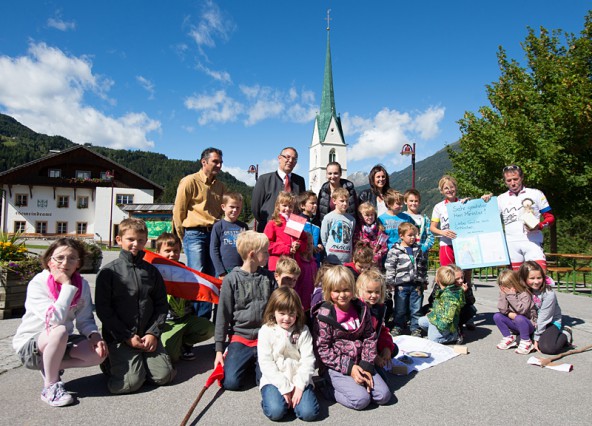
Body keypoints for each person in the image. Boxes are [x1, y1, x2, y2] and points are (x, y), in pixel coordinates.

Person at [12, 238, 108, 407]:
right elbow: (54, 320)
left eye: (72, 258)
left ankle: (50, 367)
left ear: (78, 264)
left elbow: (85, 319)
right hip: (30, 347)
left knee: (98, 353)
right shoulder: (38, 283)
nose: (65, 263)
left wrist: (94, 336)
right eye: (60, 258)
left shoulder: (82, 285)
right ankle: (50, 387)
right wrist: (66, 286)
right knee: (60, 329)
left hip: (59, 343)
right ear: (49, 261)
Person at [95, 218, 175, 394]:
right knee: (130, 384)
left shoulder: (151, 272)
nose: (135, 244)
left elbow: (161, 305)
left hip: (146, 335)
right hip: (120, 337)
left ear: (146, 241)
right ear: (119, 240)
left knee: (164, 376)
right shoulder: (109, 272)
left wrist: (153, 333)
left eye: (140, 240)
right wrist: (126, 336)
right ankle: (110, 364)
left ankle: (139, 363)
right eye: (130, 239)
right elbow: (104, 310)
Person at [312, 265, 391, 410]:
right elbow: (323, 350)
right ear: (329, 292)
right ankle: (326, 387)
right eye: (337, 291)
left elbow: (369, 336)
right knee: (361, 400)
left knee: (383, 396)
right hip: (335, 366)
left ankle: (357, 381)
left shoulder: (361, 308)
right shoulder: (324, 315)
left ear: (353, 289)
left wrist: (366, 365)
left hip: (361, 361)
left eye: (346, 290)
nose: (342, 295)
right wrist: (349, 368)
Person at [214, 231, 276, 390]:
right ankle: (240, 359)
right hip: (241, 337)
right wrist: (219, 350)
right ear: (252, 255)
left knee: (265, 381)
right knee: (231, 383)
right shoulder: (231, 280)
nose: (268, 254)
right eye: (265, 252)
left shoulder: (268, 277)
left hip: (264, 337)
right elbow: (223, 315)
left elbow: (278, 307)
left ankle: (254, 363)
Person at [173, 147, 226, 319]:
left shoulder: (221, 186)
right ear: (204, 162)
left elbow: (222, 212)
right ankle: (193, 319)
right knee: (197, 275)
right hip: (194, 233)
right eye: (215, 161)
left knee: (211, 276)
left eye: (220, 162)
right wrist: (183, 237)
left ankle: (203, 320)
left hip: (214, 234)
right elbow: (178, 211)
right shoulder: (189, 181)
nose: (219, 165)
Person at [257, 287, 319, 422]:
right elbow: (266, 362)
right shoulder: (266, 331)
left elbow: (308, 360)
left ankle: (293, 401)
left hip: (298, 378)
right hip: (274, 380)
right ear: (274, 312)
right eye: (282, 313)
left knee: (309, 413)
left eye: (291, 314)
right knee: (276, 412)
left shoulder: (303, 331)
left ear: (298, 312)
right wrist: (284, 388)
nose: (287, 318)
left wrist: (299, 386)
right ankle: (272, 399)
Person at [482, 165, 554, 270]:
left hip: (533, 242)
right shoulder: (500, 199)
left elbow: (550, 217)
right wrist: (484, 203)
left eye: (515, 179)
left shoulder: (536, 194)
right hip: (511, 244)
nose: (512, 183)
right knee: (515, 283)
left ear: (522, 178)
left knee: (538, 277)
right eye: (509, 180)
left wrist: (540, 226)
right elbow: (487, 220)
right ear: (505, 181)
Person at [156, 233, 214, 363]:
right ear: (158, 252)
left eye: (176, 251)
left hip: (186, 319)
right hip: (167, 323)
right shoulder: (155, 272)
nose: (172, 254)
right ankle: (173, 344)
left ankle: (185, 343)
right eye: (167, 251)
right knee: (171, 357)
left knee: (210, 329)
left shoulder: (185, 270)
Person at [519, 261, 572, 355]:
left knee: (547, 348)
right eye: (532, 278)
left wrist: (537, 337)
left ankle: (566, 334)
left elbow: (544, 317)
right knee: (520, 340)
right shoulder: (523, 290)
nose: (536, 281)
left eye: (539, 278)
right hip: (535, 321)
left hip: (550, 322)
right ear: (524, 279)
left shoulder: (549, 293)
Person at [385, 223, 428, 337]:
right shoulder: (395, 250)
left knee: (416, 308)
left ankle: (415, 328)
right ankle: (398, 326)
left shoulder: (418, 249)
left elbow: (423, 265)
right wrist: (390, 282)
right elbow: (390, 266)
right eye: (410, 235)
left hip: (416, 285)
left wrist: (424, 280)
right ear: (401, 236)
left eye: (414, 235)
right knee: (400, 308)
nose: (413, 237)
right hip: (401, 285)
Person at [252, 147, 306, 232]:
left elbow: (300, 208)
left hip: (292, 232)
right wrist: (267, 222)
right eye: (287, 157)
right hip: (268, 231)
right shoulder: (264, 180)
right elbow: (255, 209)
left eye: (294, 159)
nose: (290, 160)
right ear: (279, 158)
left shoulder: (300, 181)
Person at [430, 175, 472, 284]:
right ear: (442, 191)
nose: (449, 190)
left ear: (456, 188)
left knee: (465, 272)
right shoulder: (438, 207)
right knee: (447, 274)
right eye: (446, 188)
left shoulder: (464, 203)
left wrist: (470, 204)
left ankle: (467, 295)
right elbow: (432, 227)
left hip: (463, 243)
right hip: (446, 244)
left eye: (451, 187)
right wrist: (442, 232)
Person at [356, 268, 398, 374]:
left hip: (372, 345)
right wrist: (374, 356)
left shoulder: (378, 308)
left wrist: (386, 347)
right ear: (360, 290)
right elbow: (359, 339)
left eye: (377, 292)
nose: (374, 295)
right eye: (369, 292)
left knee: (394, 349)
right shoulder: (357, 309)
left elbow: (381, 330)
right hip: (359, 350)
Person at [493, 269, 537, 353]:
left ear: (514, 284)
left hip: (528, 325)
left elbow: (521, 310)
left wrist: (511, 296)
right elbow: (502, 309)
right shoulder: (507, 294)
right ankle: (508, 338)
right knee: (497, 316)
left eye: (507, 287)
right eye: (502, 287)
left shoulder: (524, 294)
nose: (505, 289)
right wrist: (503, 295)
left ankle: (526, 341)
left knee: (519, 318)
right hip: (515, 324)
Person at [418, 266, 465, 344]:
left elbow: (448, 318)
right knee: (421, 321)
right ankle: (436, 334)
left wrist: (436, 323)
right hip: (438, 319)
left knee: (433, 340)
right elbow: (438, 306)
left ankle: (455, 336)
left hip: (445, 325)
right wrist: (432, 314)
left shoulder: (450, 296)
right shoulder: (443, 290)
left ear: (437, 280)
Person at [264, 191, 307, 272]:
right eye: (284, 205)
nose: (287, 209)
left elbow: (304, 240)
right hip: (278, 266)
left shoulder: (295, 222)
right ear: (278, 206)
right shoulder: (273, 223)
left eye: (290, 206)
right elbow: (267, 244)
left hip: (294, 266)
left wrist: (299, 245)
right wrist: (287, 249)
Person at [209, 192, 248, 279]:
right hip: (224, 271)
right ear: (223, 207)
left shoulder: (244, 226)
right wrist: (221, 272)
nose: (235, 210)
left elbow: (248, 248)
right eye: (232, 207)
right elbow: (213, 250)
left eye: (238, 207)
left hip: (241, 270)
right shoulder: (218, 226)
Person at [320, 187, 356, 264]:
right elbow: (324, 237)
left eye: (347, 201)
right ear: (334, 201)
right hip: (331, 258)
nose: (345, 204)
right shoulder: (328, 217)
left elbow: (351, 236)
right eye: (342, 201)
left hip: (346, 259)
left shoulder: (352, 219)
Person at [353, 202, 389, 269]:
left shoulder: (380, 229)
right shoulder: (358, 229)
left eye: (372, 214)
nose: (370, 217)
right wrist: (363, 257)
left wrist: (375, 257)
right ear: (361, 216)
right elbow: (355, 246)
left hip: (375, 264)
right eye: (367, 215)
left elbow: (384, 248)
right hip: (362, 264)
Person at [450, 264, 477, 344]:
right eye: (457, 278)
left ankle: (458, 326)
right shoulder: (442, 283)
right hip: (444, 312)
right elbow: (432, 299)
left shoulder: (464, 284)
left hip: (459, 311)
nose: (461, 280)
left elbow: (471, 301)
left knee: (471, 309)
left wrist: (464, 293)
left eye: (462, 277)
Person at [404, 189, 435, 256]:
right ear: (405, 201)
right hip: (405, 253)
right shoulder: (402, 217)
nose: (413, 203)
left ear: (419, 202)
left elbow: (430, 236)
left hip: (421, 254)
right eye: (411, 201)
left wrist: (424, 248)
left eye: (416, 201)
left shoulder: (424, 219)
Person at [296, 191, 322, 265]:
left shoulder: (318, 222)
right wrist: (310, 247)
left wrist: (320, 246)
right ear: (302, 205)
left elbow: (319, 239)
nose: (315, 205)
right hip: (301, 260)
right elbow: (295, 241)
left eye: (316, 203)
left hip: (315, 261)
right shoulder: (297, 220)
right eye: (312, 203)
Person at [295, 233, 317, 312]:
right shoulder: (298, 262)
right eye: (306, 244)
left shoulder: (313, 262)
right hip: (300, 301)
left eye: (311, 244)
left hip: (311, 301)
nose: (309, 246)